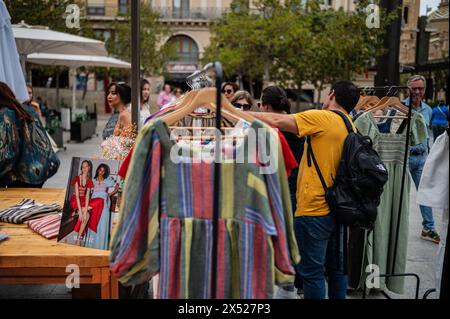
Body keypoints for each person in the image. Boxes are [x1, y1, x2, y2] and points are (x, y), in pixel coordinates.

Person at [249, 80, 360, 299]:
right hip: (338, 207)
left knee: (312, 273)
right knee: (336, 270)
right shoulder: (350, 123)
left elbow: (277, 119)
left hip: (314, 209)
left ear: (332, 95)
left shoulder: (324, 117)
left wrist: (229, 110)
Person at [258, 86, 305, 299]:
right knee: (292, 235)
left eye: (261, 104)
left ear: (266, 106)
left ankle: (287, 285)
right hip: (298, 186)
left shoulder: (273, 126)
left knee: (284, 235)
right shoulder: (296, 121)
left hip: (284, 187)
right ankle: (294, 283)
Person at [0, 81, 59, 188]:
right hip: (42, 167)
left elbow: (8, 153)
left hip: (23, 175)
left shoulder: (5, 114)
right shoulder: (28, 110)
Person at [403, 75, 440, 243]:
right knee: (400, 195)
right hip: (404, 158)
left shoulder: (428, 110)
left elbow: (426, 135)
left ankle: (429, 228)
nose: (417, 91)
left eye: (420, 88)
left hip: (422, 158)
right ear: (408, 89)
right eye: (414, 88)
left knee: (425, 193)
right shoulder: (399, 108)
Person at [84, 163, 119, 250]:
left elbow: (117, 187)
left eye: (103, 171)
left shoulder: (107, 180)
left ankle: (100, 247)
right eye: (100, 170)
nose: (101, 172)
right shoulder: (92, 180)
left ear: (105, 172)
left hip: (104, 205)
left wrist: (108, 194)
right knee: (93, 223)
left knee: (102, 224)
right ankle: (90, 247)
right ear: (97, 170)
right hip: (94, 204)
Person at [70, 160, 95, 245]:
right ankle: (78, 210)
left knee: (88, 213)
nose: (84, 168)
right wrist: (81, 212)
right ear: (81, 168)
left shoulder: (89, 181)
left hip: (83, 200)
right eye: (83, 166)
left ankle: (78, 240)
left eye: (86, 166)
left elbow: (87, 196)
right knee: (86, 214)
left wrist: (84, 213)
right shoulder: (77, 178)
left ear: (89, 168)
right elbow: (77, 195)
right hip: (75, 200)